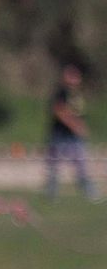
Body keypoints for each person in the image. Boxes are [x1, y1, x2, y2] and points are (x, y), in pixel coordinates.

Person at [44, 64, 96, 200]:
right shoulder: (61, 93)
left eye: (75, 76)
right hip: (60, 134)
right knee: (54, 165)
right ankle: (51, 194)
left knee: (81, 165)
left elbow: (78, 113)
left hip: (74, 136)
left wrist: (81, 126)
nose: (73, 79)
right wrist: (76, 126)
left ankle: (89, 193)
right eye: (70, 76)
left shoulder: (77, 94)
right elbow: (59, 111)